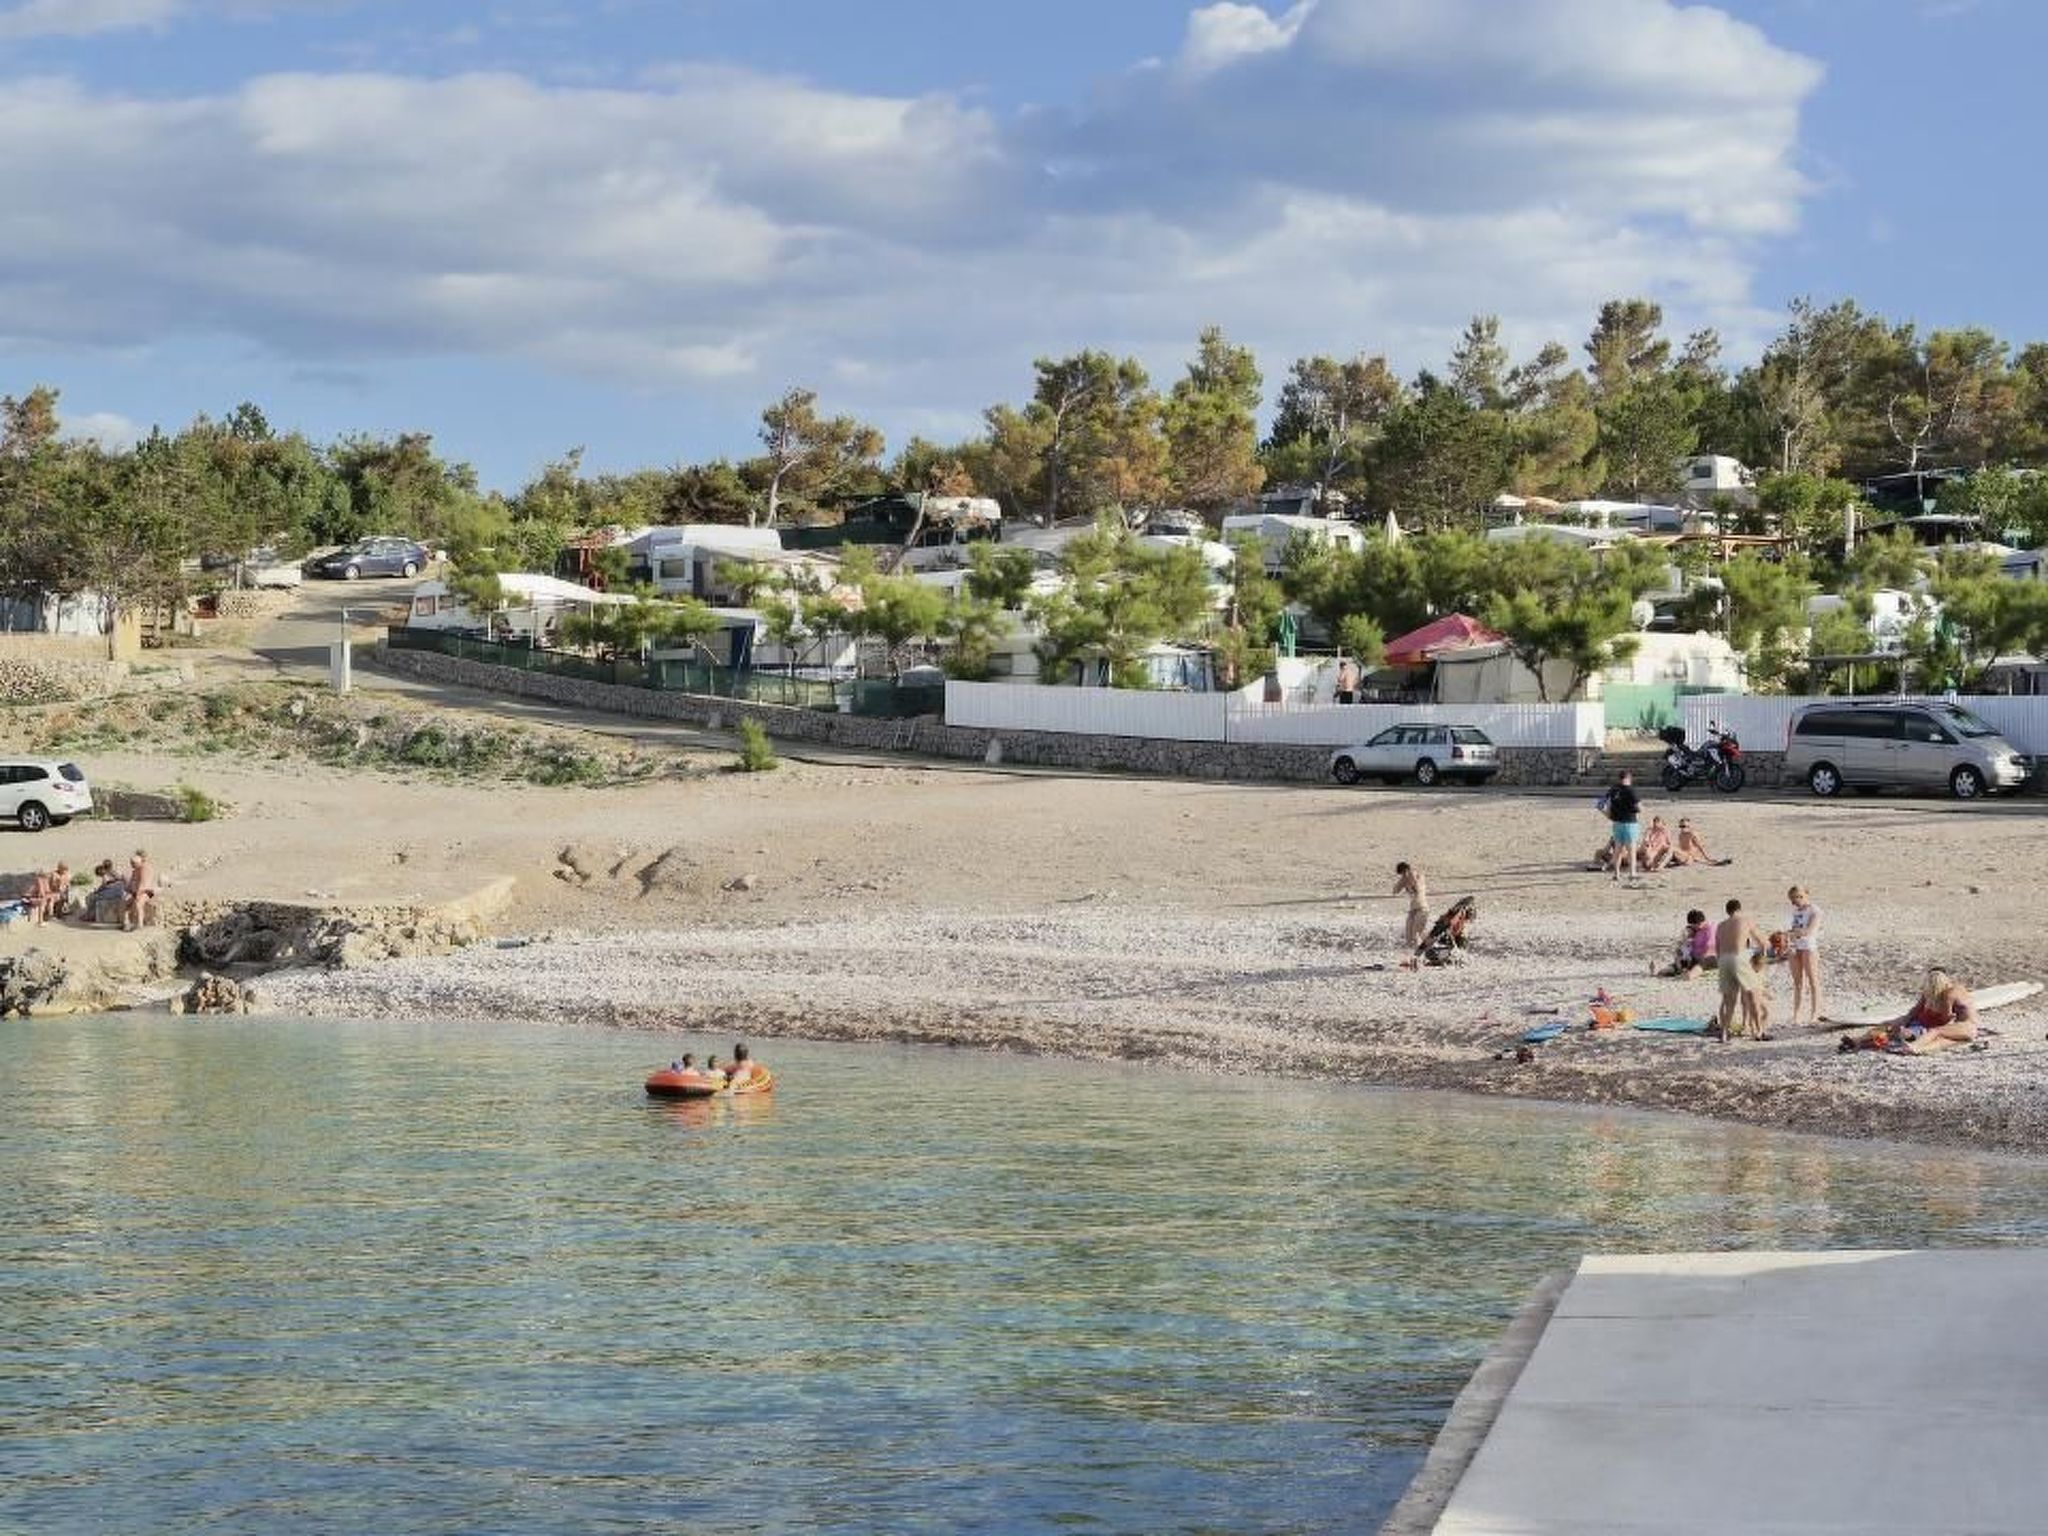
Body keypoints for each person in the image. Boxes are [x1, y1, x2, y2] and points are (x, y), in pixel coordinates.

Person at [1714, 898, 1769, 1040]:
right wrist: (1761, 958)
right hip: (1739, 957)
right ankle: (1759, 1031)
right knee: (1753, 995)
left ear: (1728, 912)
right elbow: (1763, 942)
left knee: (1729, 1000)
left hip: (1724, 960)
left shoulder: (1720, 926)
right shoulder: (1745, 920)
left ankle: (1725, 1033)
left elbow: (1718, 950)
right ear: (1739, 909)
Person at [1892, 970, 1978, 1055]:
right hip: (1970, 1029)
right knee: (1942, 1040)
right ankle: (1919, 1049)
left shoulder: (1949, 994)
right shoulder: (1958, 988)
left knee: (1936, 1031)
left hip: (1966, 1026)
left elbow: (1946, 1017)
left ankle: (1914, 1046)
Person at [1786, 885, 1823, 1028]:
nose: (1796, 900)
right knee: (1798, 983)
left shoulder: (1815, 910)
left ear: (1806, 895)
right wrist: (1787, 935)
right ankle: (1796, 1015)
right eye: (1794, 898)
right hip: (1795, 946)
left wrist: (1790, 934)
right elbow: (1795, 928)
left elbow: (1809, 931)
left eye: (1799, 897)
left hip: (1808, 947)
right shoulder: (1795, 911)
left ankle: (1815, 1014)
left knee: (1813, 981)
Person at [1605, 771, 1642, 885]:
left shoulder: (1613, 789)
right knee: (1631, 849)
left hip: (1617, 822)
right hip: (1630, 822)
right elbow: (1639, 807)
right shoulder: (1630, 790)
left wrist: (1609, 815)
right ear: (1629, 778)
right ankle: (1632, 873)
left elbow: (1603, 803)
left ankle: (1616, 874)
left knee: (1617, 849)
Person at [1655, 909, 1715, 978]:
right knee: (1679, 963)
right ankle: (1660, 971)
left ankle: (1690, 975)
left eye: (1693, 925)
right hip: (1692, 957)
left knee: (1702, 964)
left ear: (1698, 923)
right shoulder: (1696, 930)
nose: (1693, 927)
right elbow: (1685, 943)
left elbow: (1710, 947)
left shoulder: (1710, 929)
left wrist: (1699, 958)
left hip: (1708, 957)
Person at [1394, 862, 1429, 950]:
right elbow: (1395, 890)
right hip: (1413, 910)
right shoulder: (1405, 879)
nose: (1404, 876)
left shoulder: (1417, 875)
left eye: (1404, 873)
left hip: (1422, 908)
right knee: (1409, 937)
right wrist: (1402, 880)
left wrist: (1409, 876)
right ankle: (1415, 955)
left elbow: (1417, 887)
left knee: (1416, 935)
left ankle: (1425, 950)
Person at [124, 849, 157, 932]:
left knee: (139, 903)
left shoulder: (145, 868)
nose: (131, 865)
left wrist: (138, 893)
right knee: (125, 903)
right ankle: (126, 923)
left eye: (133, 863)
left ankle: (140, 924)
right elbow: (132, 882)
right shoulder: (136, 869)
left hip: (147, 891)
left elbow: (144, 883)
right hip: (137, 891)